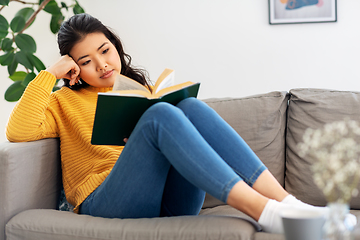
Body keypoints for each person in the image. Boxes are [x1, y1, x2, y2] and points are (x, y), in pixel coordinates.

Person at [6, 13, 332, 234]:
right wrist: (50, 73)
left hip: (165, 203)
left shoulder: (140, 92)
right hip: (102, 203)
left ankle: (288, 203)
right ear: (73, 69)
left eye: (105, 50)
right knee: (161, 116)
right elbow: (18, 130)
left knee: (187, 105)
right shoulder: (64, 102)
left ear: (115, 46)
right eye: (87, 61)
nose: (103, 64)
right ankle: (266, 213)